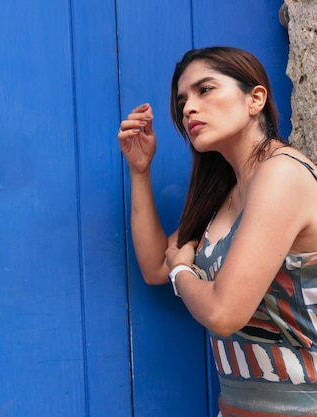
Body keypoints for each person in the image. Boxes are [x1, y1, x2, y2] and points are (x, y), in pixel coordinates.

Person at [118, 46, 317, 416]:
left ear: (255, 98)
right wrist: (140, 171)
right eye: (182, 101)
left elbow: (224, 312)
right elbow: (153, 266)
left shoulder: (282, 175)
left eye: (205, 90)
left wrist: (182, 273)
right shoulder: (224, 196)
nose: (188, 108)